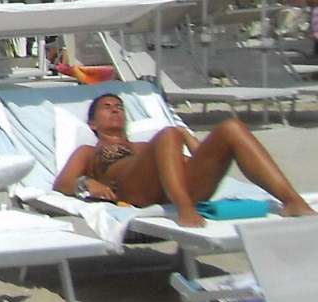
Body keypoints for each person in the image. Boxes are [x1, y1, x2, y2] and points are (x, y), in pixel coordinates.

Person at [53, 91, 315, 228]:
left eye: (119, 107)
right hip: (132, 190)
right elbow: (61, 184)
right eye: (107, 107)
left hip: (179, 187)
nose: (115, 110)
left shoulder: (147, 145)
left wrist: (186, 136)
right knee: (168, 133)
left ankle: (292, 200)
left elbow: (198, 164)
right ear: (92, 124)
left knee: (231, 127)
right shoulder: (88, 151)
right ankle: (184, 208)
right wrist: (86, 183)